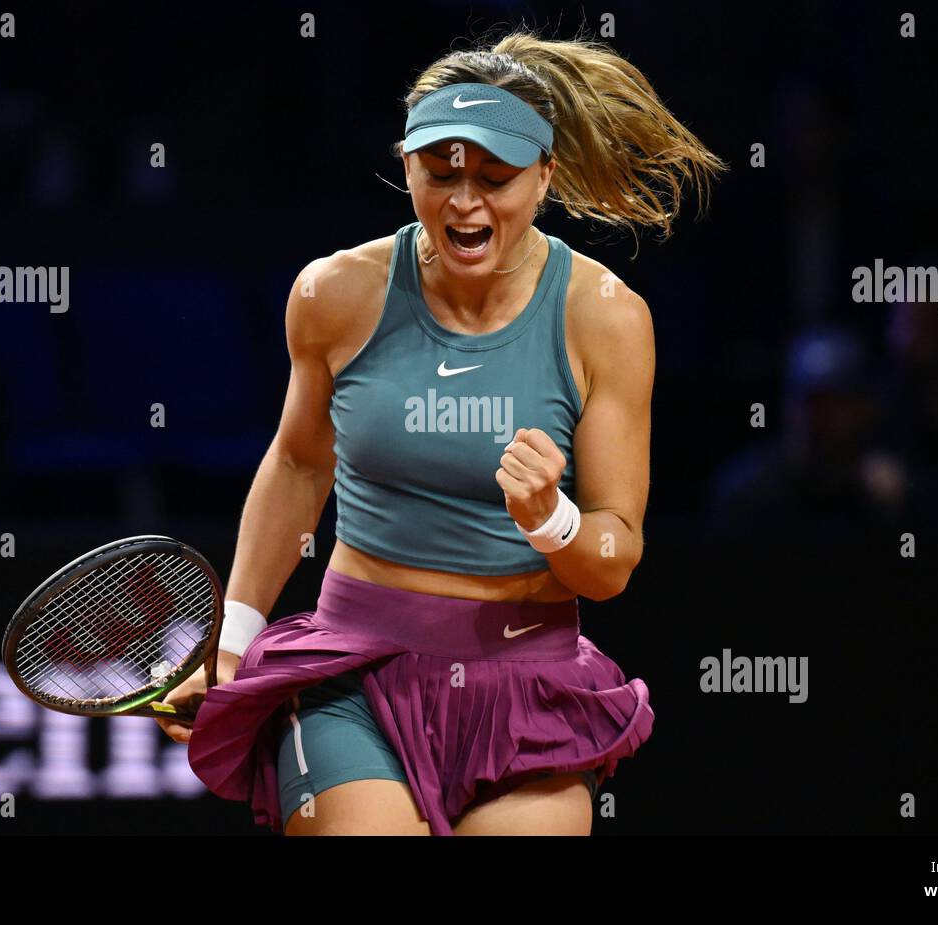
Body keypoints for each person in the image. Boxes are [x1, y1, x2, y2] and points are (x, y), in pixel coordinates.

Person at [159, 29, 725, 835]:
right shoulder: (334, 293)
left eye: (496, 178)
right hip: (352, 672)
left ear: (546, 177)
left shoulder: (605, 318)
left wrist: (551, 520)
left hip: (528, 683)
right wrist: (231, 642)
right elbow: (297, 463)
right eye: (440, 172)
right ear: (408, 164)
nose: (465, 201)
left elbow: (612, 561)